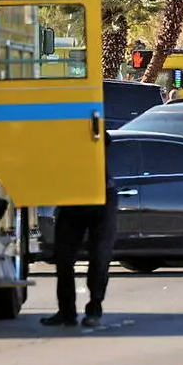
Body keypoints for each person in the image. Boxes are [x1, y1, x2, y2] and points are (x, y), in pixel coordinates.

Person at [42, 138, 117, 328]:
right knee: (63, 258)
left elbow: (105, 139)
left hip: (101, 197)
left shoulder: (94, 129)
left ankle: (94, 308)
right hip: (73, 198)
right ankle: (66, 312)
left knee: (100, 257)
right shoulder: (60, 135)